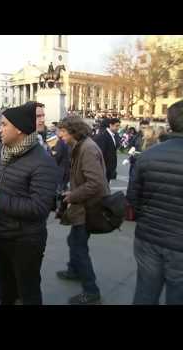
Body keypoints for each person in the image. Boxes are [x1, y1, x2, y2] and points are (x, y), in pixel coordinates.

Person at [0, 102, 59, 305]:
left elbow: (40, 207)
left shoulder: (42, 161)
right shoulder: (2, 151)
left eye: (4, 125)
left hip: (25, 240)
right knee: (4, 286)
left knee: (27, 289)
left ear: (19, 129)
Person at [127, 100, 183, 305]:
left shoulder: (149, 155)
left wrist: (147, 216)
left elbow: (133, 197)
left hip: (149, 235)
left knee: (145, 292)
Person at [56, 116, 109, 305]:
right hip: (84, 205)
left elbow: (96, 183)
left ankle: (91, 290)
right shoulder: (82, 146)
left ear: (73, 130)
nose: (59, 134)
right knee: (75, 241)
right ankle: (74, 270)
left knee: (79, 247)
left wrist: (73, 195)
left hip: (88, 207)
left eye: (62, 130)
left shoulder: (87, 149)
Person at [94, 117, 120, 183]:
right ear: (110, 125)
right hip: (103, 168)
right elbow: (101, 153)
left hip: (109, 168)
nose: (118, 128)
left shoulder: (114, 135)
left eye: (119, 126)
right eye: (116, 126)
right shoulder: (103, 136)